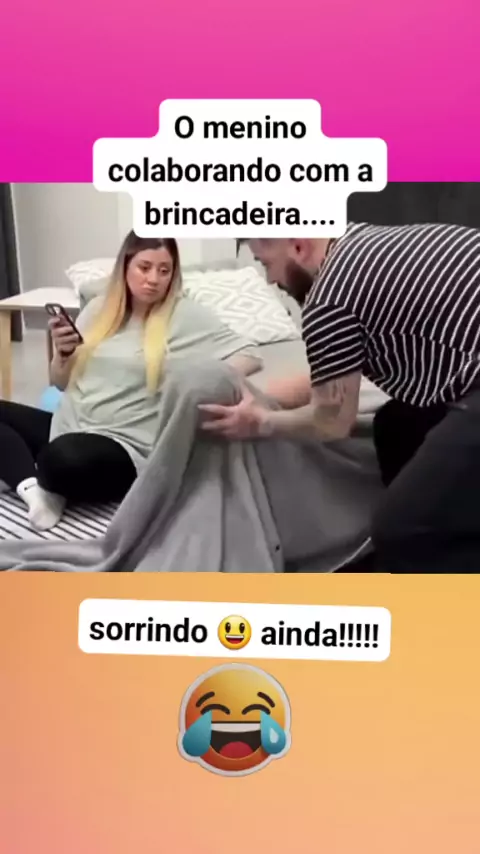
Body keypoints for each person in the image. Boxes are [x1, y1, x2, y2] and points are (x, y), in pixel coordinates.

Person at [200, 224, 480, 573]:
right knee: (396, 424)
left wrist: (262, 421)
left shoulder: (329, 298)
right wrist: (260, 396)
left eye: (266, 264)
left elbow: (332, 421)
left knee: (400, 530)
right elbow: (334, 374)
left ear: (298, 246)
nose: (270, 281)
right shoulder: (363, 243)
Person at [0, 233, 262, 530]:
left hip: (125, 445)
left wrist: (193, 379)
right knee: (43, 444)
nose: (154, 279)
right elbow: (59, 384)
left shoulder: (185, 314)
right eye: (144, 267)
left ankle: (37, 474)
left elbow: (249, 355)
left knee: (61, 459)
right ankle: (34, 490)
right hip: (68, 425)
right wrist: (63, 354)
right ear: (125, 267)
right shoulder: (97, 309)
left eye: (164, 270)